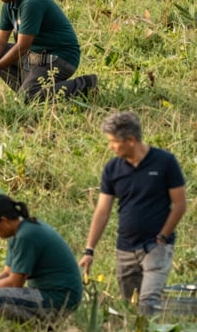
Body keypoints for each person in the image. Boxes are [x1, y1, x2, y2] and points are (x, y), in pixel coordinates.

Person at [79, 111, 186, 315]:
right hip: (125, 248)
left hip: (156, 246)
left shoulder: (165, 162)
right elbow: (102, 211)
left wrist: (163, 237)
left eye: (113, 141)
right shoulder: (112, 169)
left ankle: (152, 330)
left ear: (130, 140)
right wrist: (89, 249)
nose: (110, 146)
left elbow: (180, 204)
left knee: (148, 303)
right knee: (130, 306)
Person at [0, 194, 83, 323]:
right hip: (48, 293)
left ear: (4, 220)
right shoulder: (17, 232)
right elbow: (8, 273)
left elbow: (15, 283)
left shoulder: (26, 235)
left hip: (60, 298)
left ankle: (45, 325)